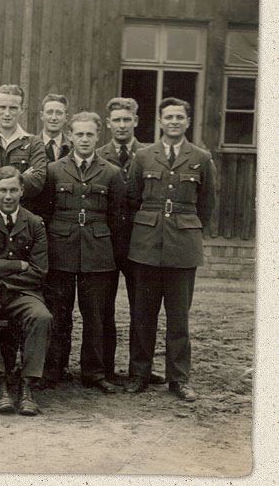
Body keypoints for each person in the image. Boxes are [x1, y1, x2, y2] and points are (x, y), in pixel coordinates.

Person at [124, 98, 216, 402]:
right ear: (160, 122)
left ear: (188, 121)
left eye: (180, 117)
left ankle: (179, 379)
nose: (174, 121)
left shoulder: (201, 158)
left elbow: (207, 206)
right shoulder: (143, 156)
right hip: (147, 246)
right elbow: (133, 197)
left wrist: (186, 229)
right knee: (143, 316)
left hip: (182, 250)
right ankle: (139, 374)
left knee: (179, 318)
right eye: (168, 117)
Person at [40, 112, 126, 392]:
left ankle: (95, 372)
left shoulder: (112, 172)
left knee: (97, 314)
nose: (85, 139)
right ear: (70, 136)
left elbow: (117, 216)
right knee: (57, 312)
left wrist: (109, 249)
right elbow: (46, 209)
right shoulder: (54, 170)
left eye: (90, 134)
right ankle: (52, 368)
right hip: (61, 248)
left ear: (98, 136)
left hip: (98, 251)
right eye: (79, 134)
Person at [0, 166, 51, 416]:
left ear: (22, 191)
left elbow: (39, 270)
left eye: (13, 190)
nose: (8, 196)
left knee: (42, 317)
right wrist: (17, 266)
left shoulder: (34, 223)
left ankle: (27, 387)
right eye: (2, 190)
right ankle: (0, 384)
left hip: (22, 293)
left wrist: (1, 276)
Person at [96, 97, 164, 385]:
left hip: (140, 243)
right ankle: (105, 370)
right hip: (106, 243)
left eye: (127, 119)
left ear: (136, 121)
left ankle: (140, 371)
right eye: (117, 120)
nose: (122, 125)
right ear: (108, 123)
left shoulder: (148, 155)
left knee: (143, 308)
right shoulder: (97, 156)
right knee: (102, 309)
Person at [39, 94, 72, 163]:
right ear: (42, 116)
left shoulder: (73, 148)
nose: (54, 118)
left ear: (66, 117)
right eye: (49, 113)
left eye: (59, 113)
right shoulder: (31, 146)